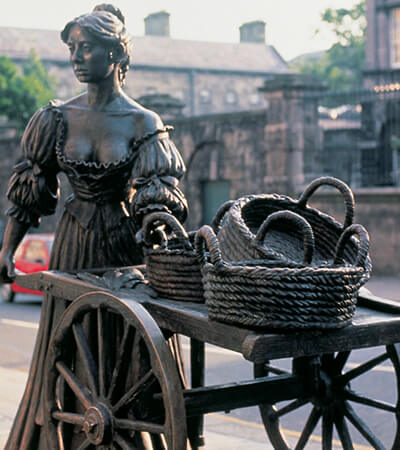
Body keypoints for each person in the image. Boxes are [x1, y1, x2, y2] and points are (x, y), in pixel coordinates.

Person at [0, 4, 188, 448]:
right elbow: (30, 190)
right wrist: (7, 249)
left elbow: (156, 193)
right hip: (72, 246)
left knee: (123, 351)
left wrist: (154, 223)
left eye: (85, 48)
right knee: (68, 347)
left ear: (115, 53)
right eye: (72, 48)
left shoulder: (144, 122)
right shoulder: (55, 118)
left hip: (122, 249)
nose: (76, 57)